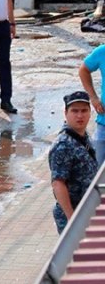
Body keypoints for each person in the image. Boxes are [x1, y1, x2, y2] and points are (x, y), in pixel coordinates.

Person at [49, 91, 98, 234]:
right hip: (73, 214)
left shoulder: (84, 137)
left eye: (84, 111)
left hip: (88, 211)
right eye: (74, 111)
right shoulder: (63, 145)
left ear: (90, 112)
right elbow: (58, 184)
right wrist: (72, 219)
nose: (80, 115)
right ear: (66, 113)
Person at [78, 45, 105, 165]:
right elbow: (84, 70)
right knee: (97, 172)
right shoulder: (102, 52)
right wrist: (93, 98)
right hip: (104, 123)